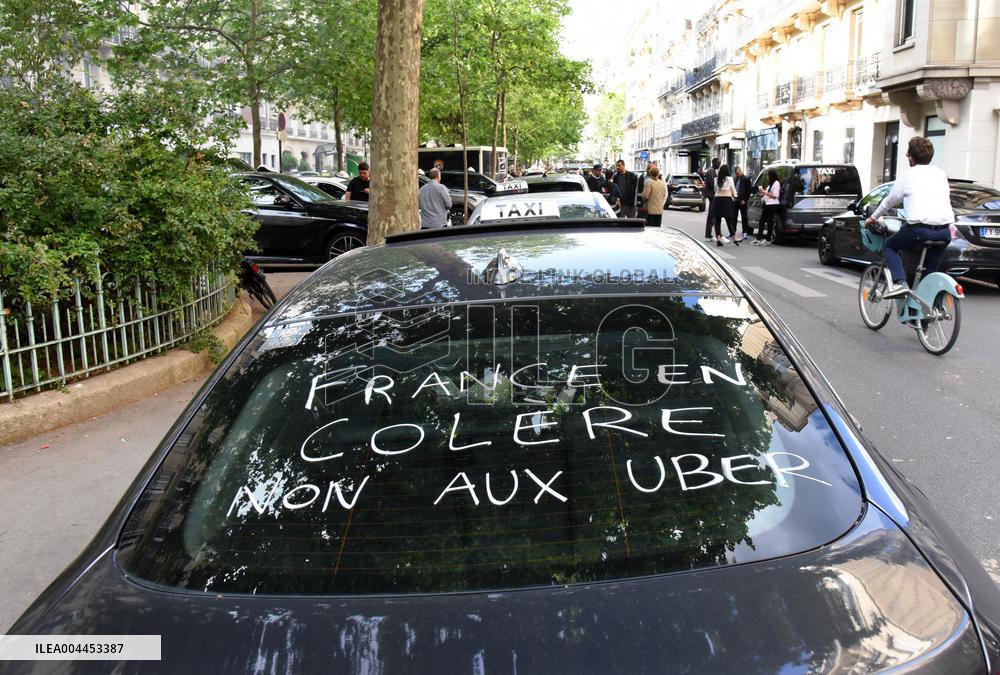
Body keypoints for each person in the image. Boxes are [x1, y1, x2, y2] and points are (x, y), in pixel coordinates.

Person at [865, 136, 954, 298]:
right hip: (944, 232)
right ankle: (925, 305)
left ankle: (900, 283)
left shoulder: (908, 175)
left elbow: (890, 200)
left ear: (911, 158)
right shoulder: (940, 174)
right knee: (928, 277)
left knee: (890, 247)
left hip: (919, 230)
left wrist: (873, 217)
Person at [710, 164, 739, 247]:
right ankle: (734, 238)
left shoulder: (716, 179)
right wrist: (735, 196)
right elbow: (733, 189)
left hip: (717, 200)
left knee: (717, 220)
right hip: (727, 201)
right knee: (729, 220)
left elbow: (715, 190)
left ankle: (718, 239)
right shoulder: (730, 179)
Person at [753, 168, 781, 246]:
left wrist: (764, 192)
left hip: (772, 205)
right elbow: (769, 194)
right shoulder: (771, 184)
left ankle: (762, 239)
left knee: (765, 221)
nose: (767, 177)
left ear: (771, 175)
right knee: (767, 222)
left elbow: (775, 196)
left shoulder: (776, 183)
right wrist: (763, 194)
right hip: (768, 204)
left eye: (768, 175)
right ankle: (763, 239)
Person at [702, 158, 720, 240]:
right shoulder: (711, 171)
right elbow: (713, 184)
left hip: (711, 195)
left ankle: (710, 234)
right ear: (714, 163)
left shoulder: (711, 171)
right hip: (712, 195)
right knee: (712, 215)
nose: (719, 164)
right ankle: (709, 234)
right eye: (718, 163)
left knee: (712, 215)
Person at [734, 166, 753, 241]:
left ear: (740, 171)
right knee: (734, 216)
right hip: (736, 200)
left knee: (744, 217)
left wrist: (745, 200)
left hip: (742, 201)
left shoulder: (746, 179)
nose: (737, 174)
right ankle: (733, 232)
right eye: (736, 173)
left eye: (737, 172)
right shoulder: (735, 179)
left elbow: (749, 190)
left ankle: (745, 232)